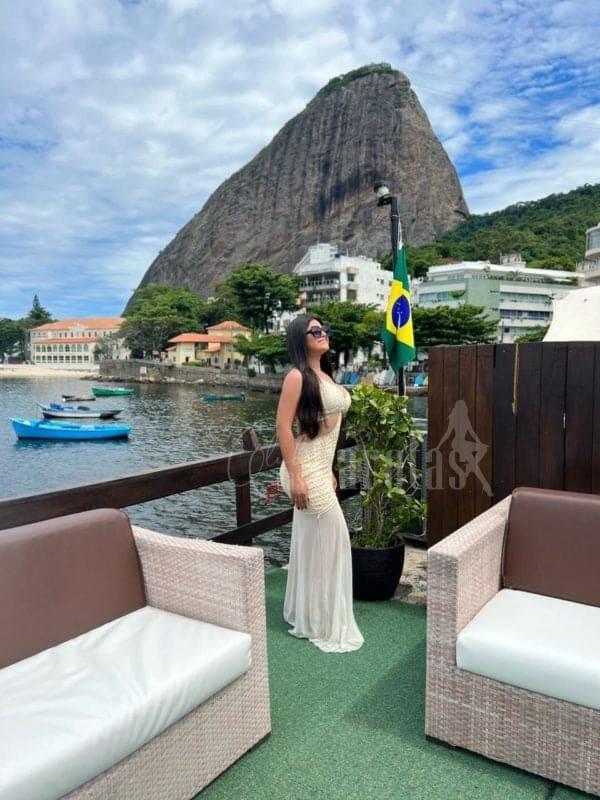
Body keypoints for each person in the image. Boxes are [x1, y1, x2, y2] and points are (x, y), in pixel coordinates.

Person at [275, 315, 364, 653]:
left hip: (318, 468)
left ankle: (312, 615)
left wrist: (328, 469)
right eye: (315, 331)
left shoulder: (324, 375)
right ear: (301, 338)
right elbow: (283, 427)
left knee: (317, 545)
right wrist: (297, 475)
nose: (323, 333)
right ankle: (323, 621)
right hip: (302, 469)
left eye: (324, 329)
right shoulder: (296, 376)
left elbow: (327, 426)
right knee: (335, 539)